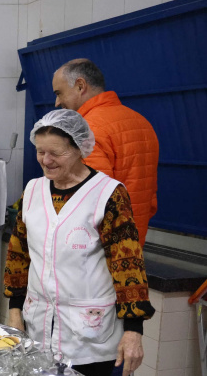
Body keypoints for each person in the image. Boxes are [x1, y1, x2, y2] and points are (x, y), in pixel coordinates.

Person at [5, 109, 154, 376]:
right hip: (39, 322)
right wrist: (15, 311)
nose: (45, 161)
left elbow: (128, 265)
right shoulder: (33, 190)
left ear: (79, 148)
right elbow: (18, 255)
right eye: (40, 151)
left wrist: (134, 331)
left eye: (55, 153)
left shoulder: (108, 194)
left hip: (91, 331)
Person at [51, 58, 159, 245]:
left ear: (80, 86)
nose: (57, 102)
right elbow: (150, 198)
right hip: (132, 241)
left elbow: (89, 201)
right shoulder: (141, 122)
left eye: (59, 93)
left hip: (97, 249)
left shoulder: (87, 130)